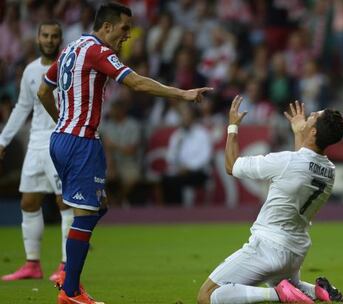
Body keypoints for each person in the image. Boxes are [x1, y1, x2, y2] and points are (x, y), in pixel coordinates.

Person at [37, 3, 212, 304]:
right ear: (106, 27)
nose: (127, 36)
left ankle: (70, 277)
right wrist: (182, 94)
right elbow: (136, 82)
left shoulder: (71, 47)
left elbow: (43, 90)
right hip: (80, 142)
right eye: (123, 29)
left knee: (97, 206)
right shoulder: (98, 51)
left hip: (62, 139)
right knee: (86, 213)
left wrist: (63, 122)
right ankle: (70, 292)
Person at [197, 98, 343, 304]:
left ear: (313, 132)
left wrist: (232, 126)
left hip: (268, 246)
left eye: (313, 117)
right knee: (291, 286)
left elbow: (231, 166)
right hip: (296, 251)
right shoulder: (330, 171)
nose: (308, 116)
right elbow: (303, 164)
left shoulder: (285, 161)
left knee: (206, 296)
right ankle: (320, 291)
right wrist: (298, 132)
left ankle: (277, 294)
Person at [0, 21, 74, 282]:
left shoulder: (69, 66)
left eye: (55, 36)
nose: (50, 40)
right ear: (38, 38)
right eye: (46, 35)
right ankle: (32, 264)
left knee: (64, 203)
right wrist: (3, 140)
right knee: (28, 202)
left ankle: (66, 267)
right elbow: (22, 107)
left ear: (60, 38)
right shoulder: (31, 70)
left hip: (61, 140)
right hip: (35, 142)